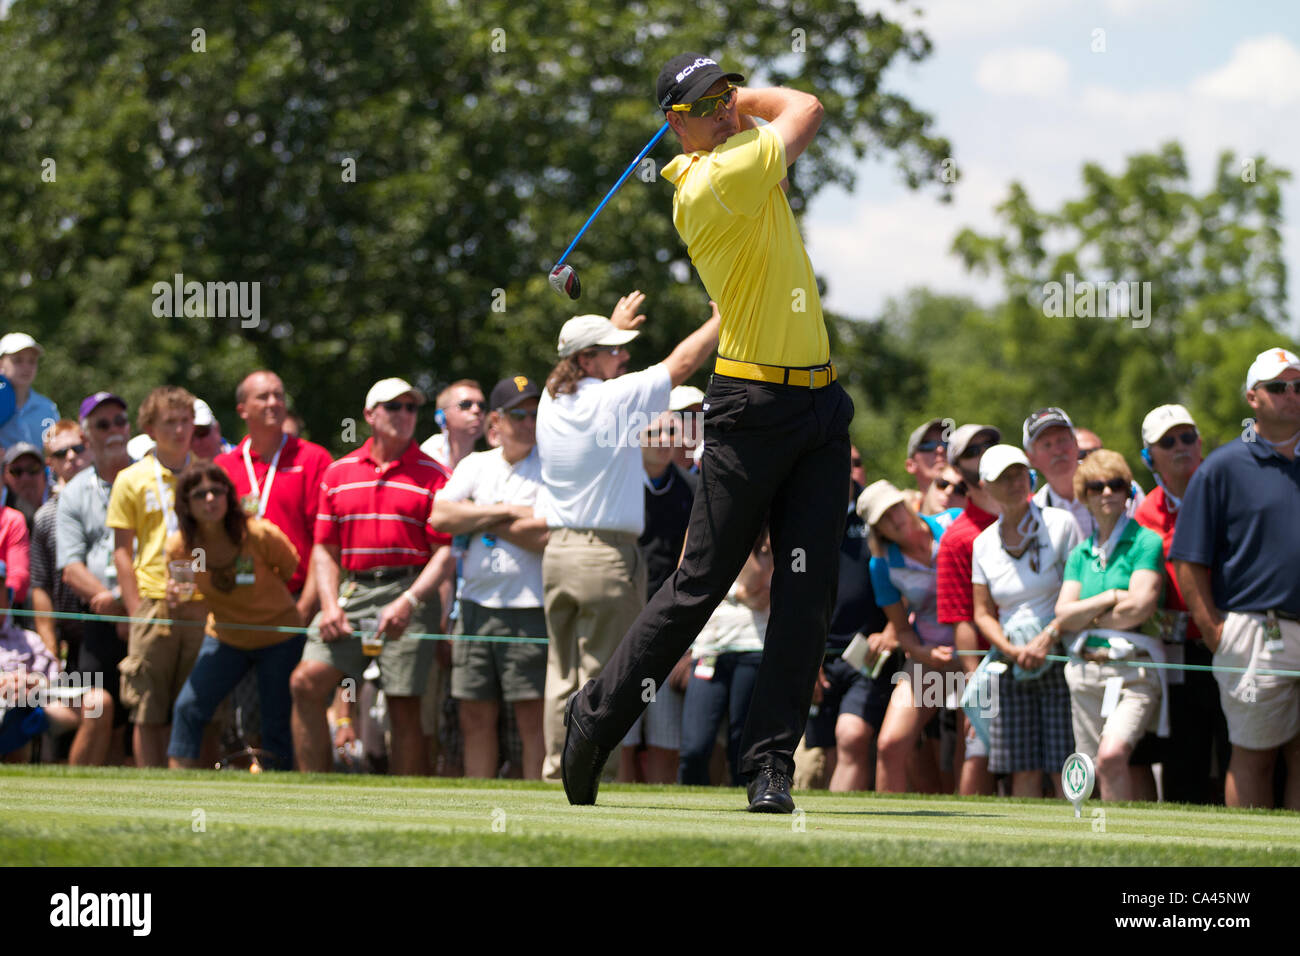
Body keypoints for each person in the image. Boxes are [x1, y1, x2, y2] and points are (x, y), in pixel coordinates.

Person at [562, 54, 854, 815]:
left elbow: (784, 132)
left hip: (821, 406)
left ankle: (767, 767)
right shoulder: (708, 181)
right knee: (701, 584)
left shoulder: (741, 163)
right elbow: (809, 106)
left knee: (806, 592)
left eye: (728, 94)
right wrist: (751, 103)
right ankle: (594, 719)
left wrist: (728, 109)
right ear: (674, 128)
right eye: (705, 104)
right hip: (750, 406)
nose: (726, 109)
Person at [537, 290, 719, 784]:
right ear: (586, 358)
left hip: (556, 552)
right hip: (604, 558)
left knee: (562, 674)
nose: (624, 357)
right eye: (613, 350)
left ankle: (557, 772)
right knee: (604, 676)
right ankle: (593, 775)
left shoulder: (550, 401)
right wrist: (721, 321)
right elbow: (679, 365)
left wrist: (607, 330)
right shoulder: (613, 399)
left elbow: (580, 367)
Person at [289, 378, 452, 776]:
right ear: (369, 415)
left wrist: (408, 602)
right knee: (305, 682)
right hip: (354, 589)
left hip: (409, 590)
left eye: (411, 408)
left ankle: (406, 811)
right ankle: (312, 797)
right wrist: (328, 606)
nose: (404, 415)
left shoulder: (436, 475)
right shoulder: (339, 472)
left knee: (403, 704)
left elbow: (445, 552)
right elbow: (325, 549)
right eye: (393, 407)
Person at [1172, 348, 1300, 810]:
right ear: (1252, 397)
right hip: (1253, 630)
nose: (1291, 395)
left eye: (1298, 386)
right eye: (1278, 387)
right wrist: (1215, 632)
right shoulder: (1222, 467)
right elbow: (1188, 559)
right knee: (1254, 757)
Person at [430, 376, 550, 780]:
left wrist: (481, 513)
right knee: (474, 714)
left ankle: (539, 808)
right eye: (520, 414)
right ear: (496, 420)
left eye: (536, 413)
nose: (529, 422)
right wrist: (507, 511)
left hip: (530, 608)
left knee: (532, 718)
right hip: (475, 608)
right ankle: (479, 805)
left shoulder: (551, 466)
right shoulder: (476, 464)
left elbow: (547, 535)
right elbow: (440, 516)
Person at [165, 463, 305, 770]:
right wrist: (175, 599)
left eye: (217, 491)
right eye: (199, 494)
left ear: (230, 496)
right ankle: (175, 789)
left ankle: (282, 801)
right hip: (226, 638)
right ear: (186, 504)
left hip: (279, 636)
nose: (210, 499)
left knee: (275, 723)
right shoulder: (181, 547)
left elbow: (291, 567)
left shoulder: (256, 533)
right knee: (189, 707)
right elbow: (187, 593)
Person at [107, 385, 209, 767]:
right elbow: (122, 551)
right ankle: (151, 790)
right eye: (170, 422)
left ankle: (196, 789)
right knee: (147, 707)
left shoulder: (207, 477)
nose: (180, 429)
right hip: (153, 602)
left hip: (201, 605)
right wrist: (135, 611)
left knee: (198, 704)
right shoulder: (130, 479)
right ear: (150, 428)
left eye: (186, 421)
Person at [971, 445, 1082, 798]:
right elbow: (982, 612)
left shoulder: (1061, 523)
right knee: (1021, 766)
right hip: (1010, 662)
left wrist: (1047, 638)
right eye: (1004, 477)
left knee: (1064, 763)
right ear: (986, 486)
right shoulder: (983, 544)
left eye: (1019, 473)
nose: (1015, 481)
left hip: (1060, 653)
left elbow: (1075, 590)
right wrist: (1011, 650)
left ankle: (1077, 842)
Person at [1055, 450, 1165, 802]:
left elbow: (1140, 608)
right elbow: (1062, 615)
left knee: (1112, 756)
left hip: (1134, 671)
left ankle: (1117, 841)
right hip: (1084, 670)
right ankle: (1095, 843)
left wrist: (1085, 615)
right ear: (1083, 495)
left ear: (1128, 491)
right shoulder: (1079, 553)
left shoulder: (1146, 541)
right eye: (1096, 486)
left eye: (1116, 484)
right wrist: (1111, 596)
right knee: (1087, 767)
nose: (1106, 492)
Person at [1132, 403, 1227, 804]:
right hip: (1177, 652)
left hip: (1232, 640)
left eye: (1188, 437)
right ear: (1148, 455)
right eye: (1167, 441)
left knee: (1238, 751)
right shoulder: (1145, 512)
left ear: (1200, 442)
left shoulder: (1229, 490)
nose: (1180, 446)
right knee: (1183, 760)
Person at [858, 479, 961, 793]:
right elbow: (901, 629)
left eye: (894, 508)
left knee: (974, 748)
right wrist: (923, 653)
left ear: (905, 502)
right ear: (878, 531)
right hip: (930, 657)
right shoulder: (882, 564)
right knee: (890, 744)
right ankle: (884, 836)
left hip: (982, 652)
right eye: (883, 518)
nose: (894, 518)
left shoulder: (953, 521)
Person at [619, 409, 698, 783]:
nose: (666, 439)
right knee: (621, 737)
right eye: (656, 431)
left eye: (672, 431)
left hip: (670, 630)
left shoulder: (692, 490)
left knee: (667, 739)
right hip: (621, 626)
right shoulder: (616, 486)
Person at [57, 392, 135, 766]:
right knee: (97, 709)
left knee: (143, 719)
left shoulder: (151, 478)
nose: (114, 430)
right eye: (103, 424)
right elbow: (71, 568)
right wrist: (116, 606)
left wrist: (133, 609)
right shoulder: (73, 493)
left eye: (119, 421)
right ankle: (73, 804)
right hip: (100, 619)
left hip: (148, 616)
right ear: (87, 437)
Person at [807, 472, 890, 792]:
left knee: (851, 737)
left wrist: (894, 629)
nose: (850, 469)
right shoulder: (806, 516)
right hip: (819, 657)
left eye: (856, 462)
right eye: (845, 462)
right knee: (827, 749)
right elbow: (791, 594)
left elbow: (906, 574)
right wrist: (805, 657)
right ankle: (828, 833)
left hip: (868, 655)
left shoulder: (875, 516)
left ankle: (836, 826)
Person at [935, 424, 1003, 795]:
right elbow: (961, 618)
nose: (985, 451)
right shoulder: (958, 537)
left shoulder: (1037, 516)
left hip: (1044, 652)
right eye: (973, 450)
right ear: (958, 468)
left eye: (991, 444)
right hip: (988, 664)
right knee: (977, 753)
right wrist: (976, 685)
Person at [678, 529, 772, 785]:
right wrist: (737, 595)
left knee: (740, 749)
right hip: (709, 648)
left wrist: (736, 527)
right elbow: (686, 581)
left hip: (753, 647)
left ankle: (748, 820)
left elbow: (757, 584)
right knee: (694, 748)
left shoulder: (765, 529)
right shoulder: (702, 525)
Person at [30, 422, 92, 665]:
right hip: (71, 637)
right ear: (50, 464)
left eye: (77, 448)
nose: (71, 456)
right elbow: (40, 585)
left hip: (115, 624)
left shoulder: (114, 498)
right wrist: (50, 648)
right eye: (60, 453)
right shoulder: (45, 516)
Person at [0, 333, 59, 452]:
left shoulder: (48, 408)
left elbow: (54, 452)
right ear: (1, 364)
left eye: (32, 361)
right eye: (17, 360)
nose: (26, 367)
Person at [421, 380, 486, 471]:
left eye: (482, 406)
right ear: (441, 416)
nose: (476, 410)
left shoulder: (485, 466)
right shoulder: (425, 457)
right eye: (465, 404)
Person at [903, 417, 950, 515]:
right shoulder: (906, 514)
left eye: (946, 444)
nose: (940, 449)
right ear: (910, 465)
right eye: (928, 446)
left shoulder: (974, 500)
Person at [4, 442, 49, 531]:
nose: (25, 478)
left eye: (33, 469)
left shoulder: (60, 501)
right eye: (16, 471)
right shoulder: (3, 517)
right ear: (5, 477)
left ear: (45, 471)